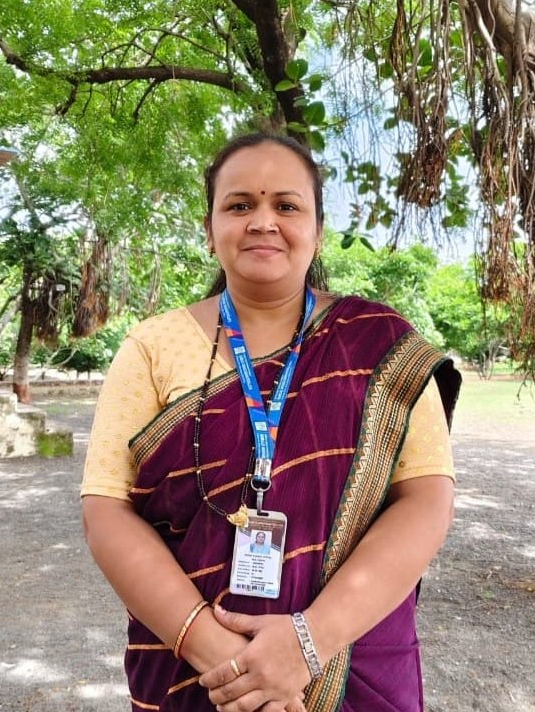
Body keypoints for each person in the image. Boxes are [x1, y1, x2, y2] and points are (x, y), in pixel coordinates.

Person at [81, 132, 461, 712]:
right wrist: (221, 658)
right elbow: (106, 509)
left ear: (318, 230)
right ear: (209, 230)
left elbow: (427, 500)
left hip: (352, 661)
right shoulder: (152, 347)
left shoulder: (383, 347)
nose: (263, 221)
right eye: (239, 205)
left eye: (286, 205)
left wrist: (308, 644)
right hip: (193, 674)